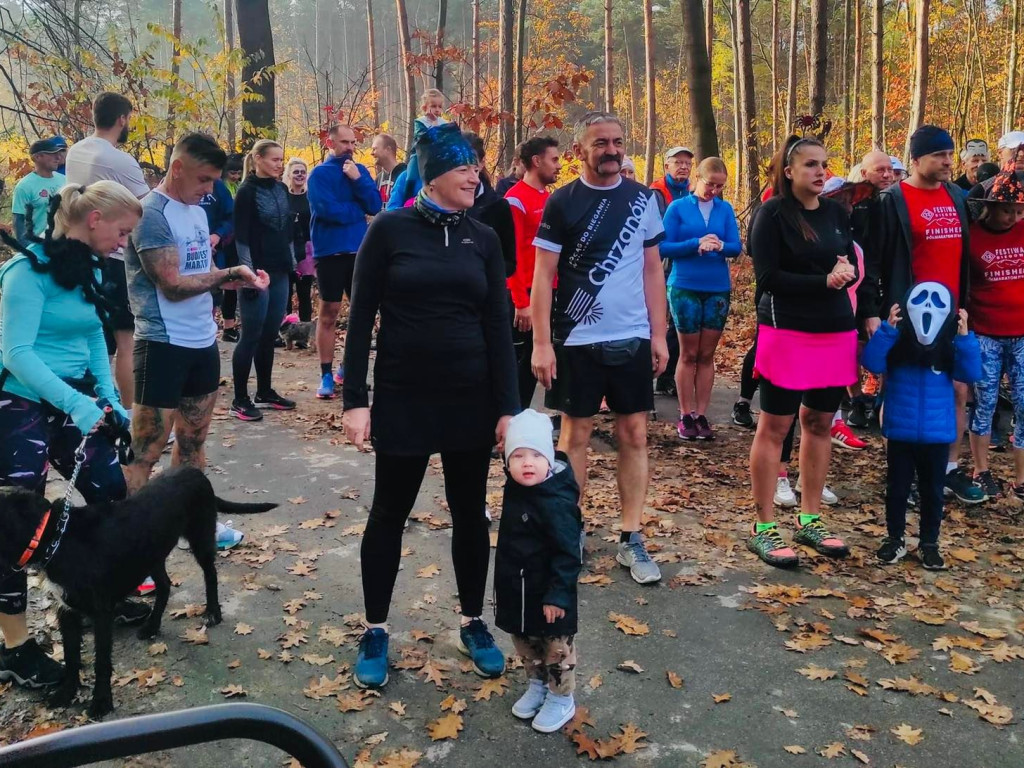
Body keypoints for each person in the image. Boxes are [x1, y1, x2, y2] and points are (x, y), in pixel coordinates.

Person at [341, 123, 517, 689]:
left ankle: (473, 621)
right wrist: (355, 401)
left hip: (470, 397)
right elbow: (361, 315)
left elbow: (496, 325)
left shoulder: (483, 236)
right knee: (389, 513)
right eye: (464, 167)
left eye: (477, 166)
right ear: (435, 173)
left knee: (471, 514)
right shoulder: (390, 230)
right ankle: (375, 628)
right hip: (403, 395)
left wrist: (508, 408)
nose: (476, 175)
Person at [0, 180, 148, 689]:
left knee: (108, 490)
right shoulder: (26, 273)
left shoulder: (87, 270)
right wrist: (78, 405)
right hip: (19, 396)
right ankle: (16, 647)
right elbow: (16, 352)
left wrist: (110, 402)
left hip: (74, 396)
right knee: (12, 524)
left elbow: (91, 334)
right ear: (94, 220)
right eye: (122, 231)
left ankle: (90, 592)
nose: (124, 243)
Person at [531, 111, 669, 585]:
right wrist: (542, 344)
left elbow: (653, 269)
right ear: (579, 151)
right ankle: (570, 532)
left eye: (617, 141)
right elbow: (543, 277)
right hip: (576, 340)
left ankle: (632, 536)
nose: (611, 150)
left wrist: (659, 333)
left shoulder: (644, 200)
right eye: (600, 143)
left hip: (631, 338)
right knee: (575, 438)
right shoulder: (562, 203)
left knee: (634, 434)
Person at [124, 133, 268, 505]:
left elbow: (200, 272)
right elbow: (171, 284)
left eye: (213, 182)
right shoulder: (151, 213)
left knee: (192, 444)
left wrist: (236, 281)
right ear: (177, 169)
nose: (208, 190)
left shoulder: (199, 211)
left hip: (202, 340)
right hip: (161, 344)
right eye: (203, 179)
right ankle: (130, 531)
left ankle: (188, 519)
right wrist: (226, 274)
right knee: (146, 449)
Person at [746, 135, 858, 568]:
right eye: (810, 164)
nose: (820, 172)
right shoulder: (772, 214)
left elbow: (844, 258)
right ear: (789, 171)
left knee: (819, 422)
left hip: (834, 329)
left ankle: (810, 517)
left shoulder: (835, 212)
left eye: (824, 164)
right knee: (776, 426)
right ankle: (764, 526)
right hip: (787, 329)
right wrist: (821, 282)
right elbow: (768, 277)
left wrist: (846, 274)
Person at [878, 125, 983, 504]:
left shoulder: (957, 195)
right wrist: (878, 312)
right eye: (939, 155)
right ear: (917, 159)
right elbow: (879, 258)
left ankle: (947, 470)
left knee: (958, 389)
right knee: (901, 388)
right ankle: (900, 473)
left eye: (950, 154)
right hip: (909, 314)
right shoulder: (893, 199)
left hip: (952, 314)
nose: (947, 162)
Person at [863, 286, 981, 570]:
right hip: (901, 432)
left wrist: (965, 337)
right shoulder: (898, 347)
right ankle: (895, 539)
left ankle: (929, 543)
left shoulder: (949, 349)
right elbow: (872, 362)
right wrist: (888, 330)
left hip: (937, 434)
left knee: (933, 492)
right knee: (897, 489)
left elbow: (971, 372)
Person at [495, 409, 582, 733]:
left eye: (535, 454)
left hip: (550, 597)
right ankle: (537, 685)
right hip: (518, 591)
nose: (527, 462)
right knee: (526, 644)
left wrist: (558, 595)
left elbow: (568, 553)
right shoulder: (516, 489)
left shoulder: (556, 501)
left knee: (556, 649)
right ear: (506, 462)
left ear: (549, 458)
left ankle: (561, 696)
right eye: (518, 456)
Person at [65, 92, 151, 409]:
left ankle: (95, 411)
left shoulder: (76, 151)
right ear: (122, 119)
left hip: (84, 254)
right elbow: (147, 206)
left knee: (96, 341)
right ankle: (128, 418)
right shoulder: (118, 159)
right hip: (117, 258)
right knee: (127, 342)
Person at [661, 157, 740, 441]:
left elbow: (736, 246)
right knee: (689, 353)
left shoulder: (725, 209)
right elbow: (662, 246)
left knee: (707, 354)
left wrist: (719, 245)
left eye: (720, 187)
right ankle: (684, 413)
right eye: (710, 185)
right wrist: (696, 244)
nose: (714, 191)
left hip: (717, 286)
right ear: (698, 178)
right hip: (684, 285)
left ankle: (701, 414)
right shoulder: (678, 207)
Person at [307, 124, 380, 400]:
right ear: (330, 143)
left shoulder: (359, 172)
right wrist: (356, 209)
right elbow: (326, 211)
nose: (349, 147)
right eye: (344, 142)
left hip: (359, 252)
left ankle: (348, 369)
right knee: (329, 312)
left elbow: (374, 205)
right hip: (329, 252)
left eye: (353, 142)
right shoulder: (319, 175)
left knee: (362, 313)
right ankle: (326, 374)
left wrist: (357, 181)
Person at [965, 167, 1024, 499]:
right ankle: (981, 470)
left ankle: (1021, 478)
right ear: (990, 206)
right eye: (1006, 210)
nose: (1012, 218)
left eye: (1018, 211)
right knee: (985, 402)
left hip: (1022, 333)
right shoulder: (973, 236)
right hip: (986, 332)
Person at [229, 141, 296, 421]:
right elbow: (241, 237)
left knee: (270, 334)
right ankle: (240, 398)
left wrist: (292, 262)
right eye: (274, 160)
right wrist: (248, 274)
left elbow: (288, 231)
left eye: (282, 159)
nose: (280, 164)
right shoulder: (246, 192)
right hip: (257, 273)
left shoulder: (281, 188)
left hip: (280, 270)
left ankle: (265, 390)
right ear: (257, 159)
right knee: (252, 335)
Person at [506, 136, 562, 409]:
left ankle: (526, 419)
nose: (559, 166)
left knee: (539, 357)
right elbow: (510, 254)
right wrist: (521, 302)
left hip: (549, 290)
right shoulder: (514, 200)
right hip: (525, 295)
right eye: (554, 159)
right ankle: (510, 422)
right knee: (522, 362)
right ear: (536, 162)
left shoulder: (549, 198)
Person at [387, 89, 450, 209]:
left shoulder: (444, 123)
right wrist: (435, 130)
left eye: (439, 106)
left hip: (438, 156)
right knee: (410, 176)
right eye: (433, 106)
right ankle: (408, 196)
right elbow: (422, 139)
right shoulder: (420, 122)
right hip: (418, 155)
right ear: (425, 107)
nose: (437, 109)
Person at [12, 138, 67, 245]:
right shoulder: (24, 187)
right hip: (38, 247)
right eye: (52, 154)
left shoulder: (64, 180)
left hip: (63, 246)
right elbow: (19, 224)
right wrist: (30, 252)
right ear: (37, 157)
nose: (58, 157)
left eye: (58, 153)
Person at [285, 158, 314, 323]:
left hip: (307, 249)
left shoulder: (311, 197)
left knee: (304, 292)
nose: (300, 175)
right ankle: (286, 330)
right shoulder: (283, 196)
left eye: (303, 172)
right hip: (287, 248)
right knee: (286, 292)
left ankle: (304, 332)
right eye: (296, 172)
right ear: (289, 174)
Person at [220, 153, 245, 341]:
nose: (235, 177)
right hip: (223, 242)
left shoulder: (240, 186)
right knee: (221, 283)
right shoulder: (221, 188)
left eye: (238, 173)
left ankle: (231, 325)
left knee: (233, 283)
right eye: (232, 173)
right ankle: (222, 323)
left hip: (238, 240)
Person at [649, 146, 693, 215]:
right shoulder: (657, 192)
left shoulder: (694, 191)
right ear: (666, 167)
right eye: (678, 163)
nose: (684, 167)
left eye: (688, 163)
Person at [370, 133, 406, 210]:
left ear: (388, 150)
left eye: (374, 149)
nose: (371, 153)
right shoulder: (379, 178)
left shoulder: (405, 175)